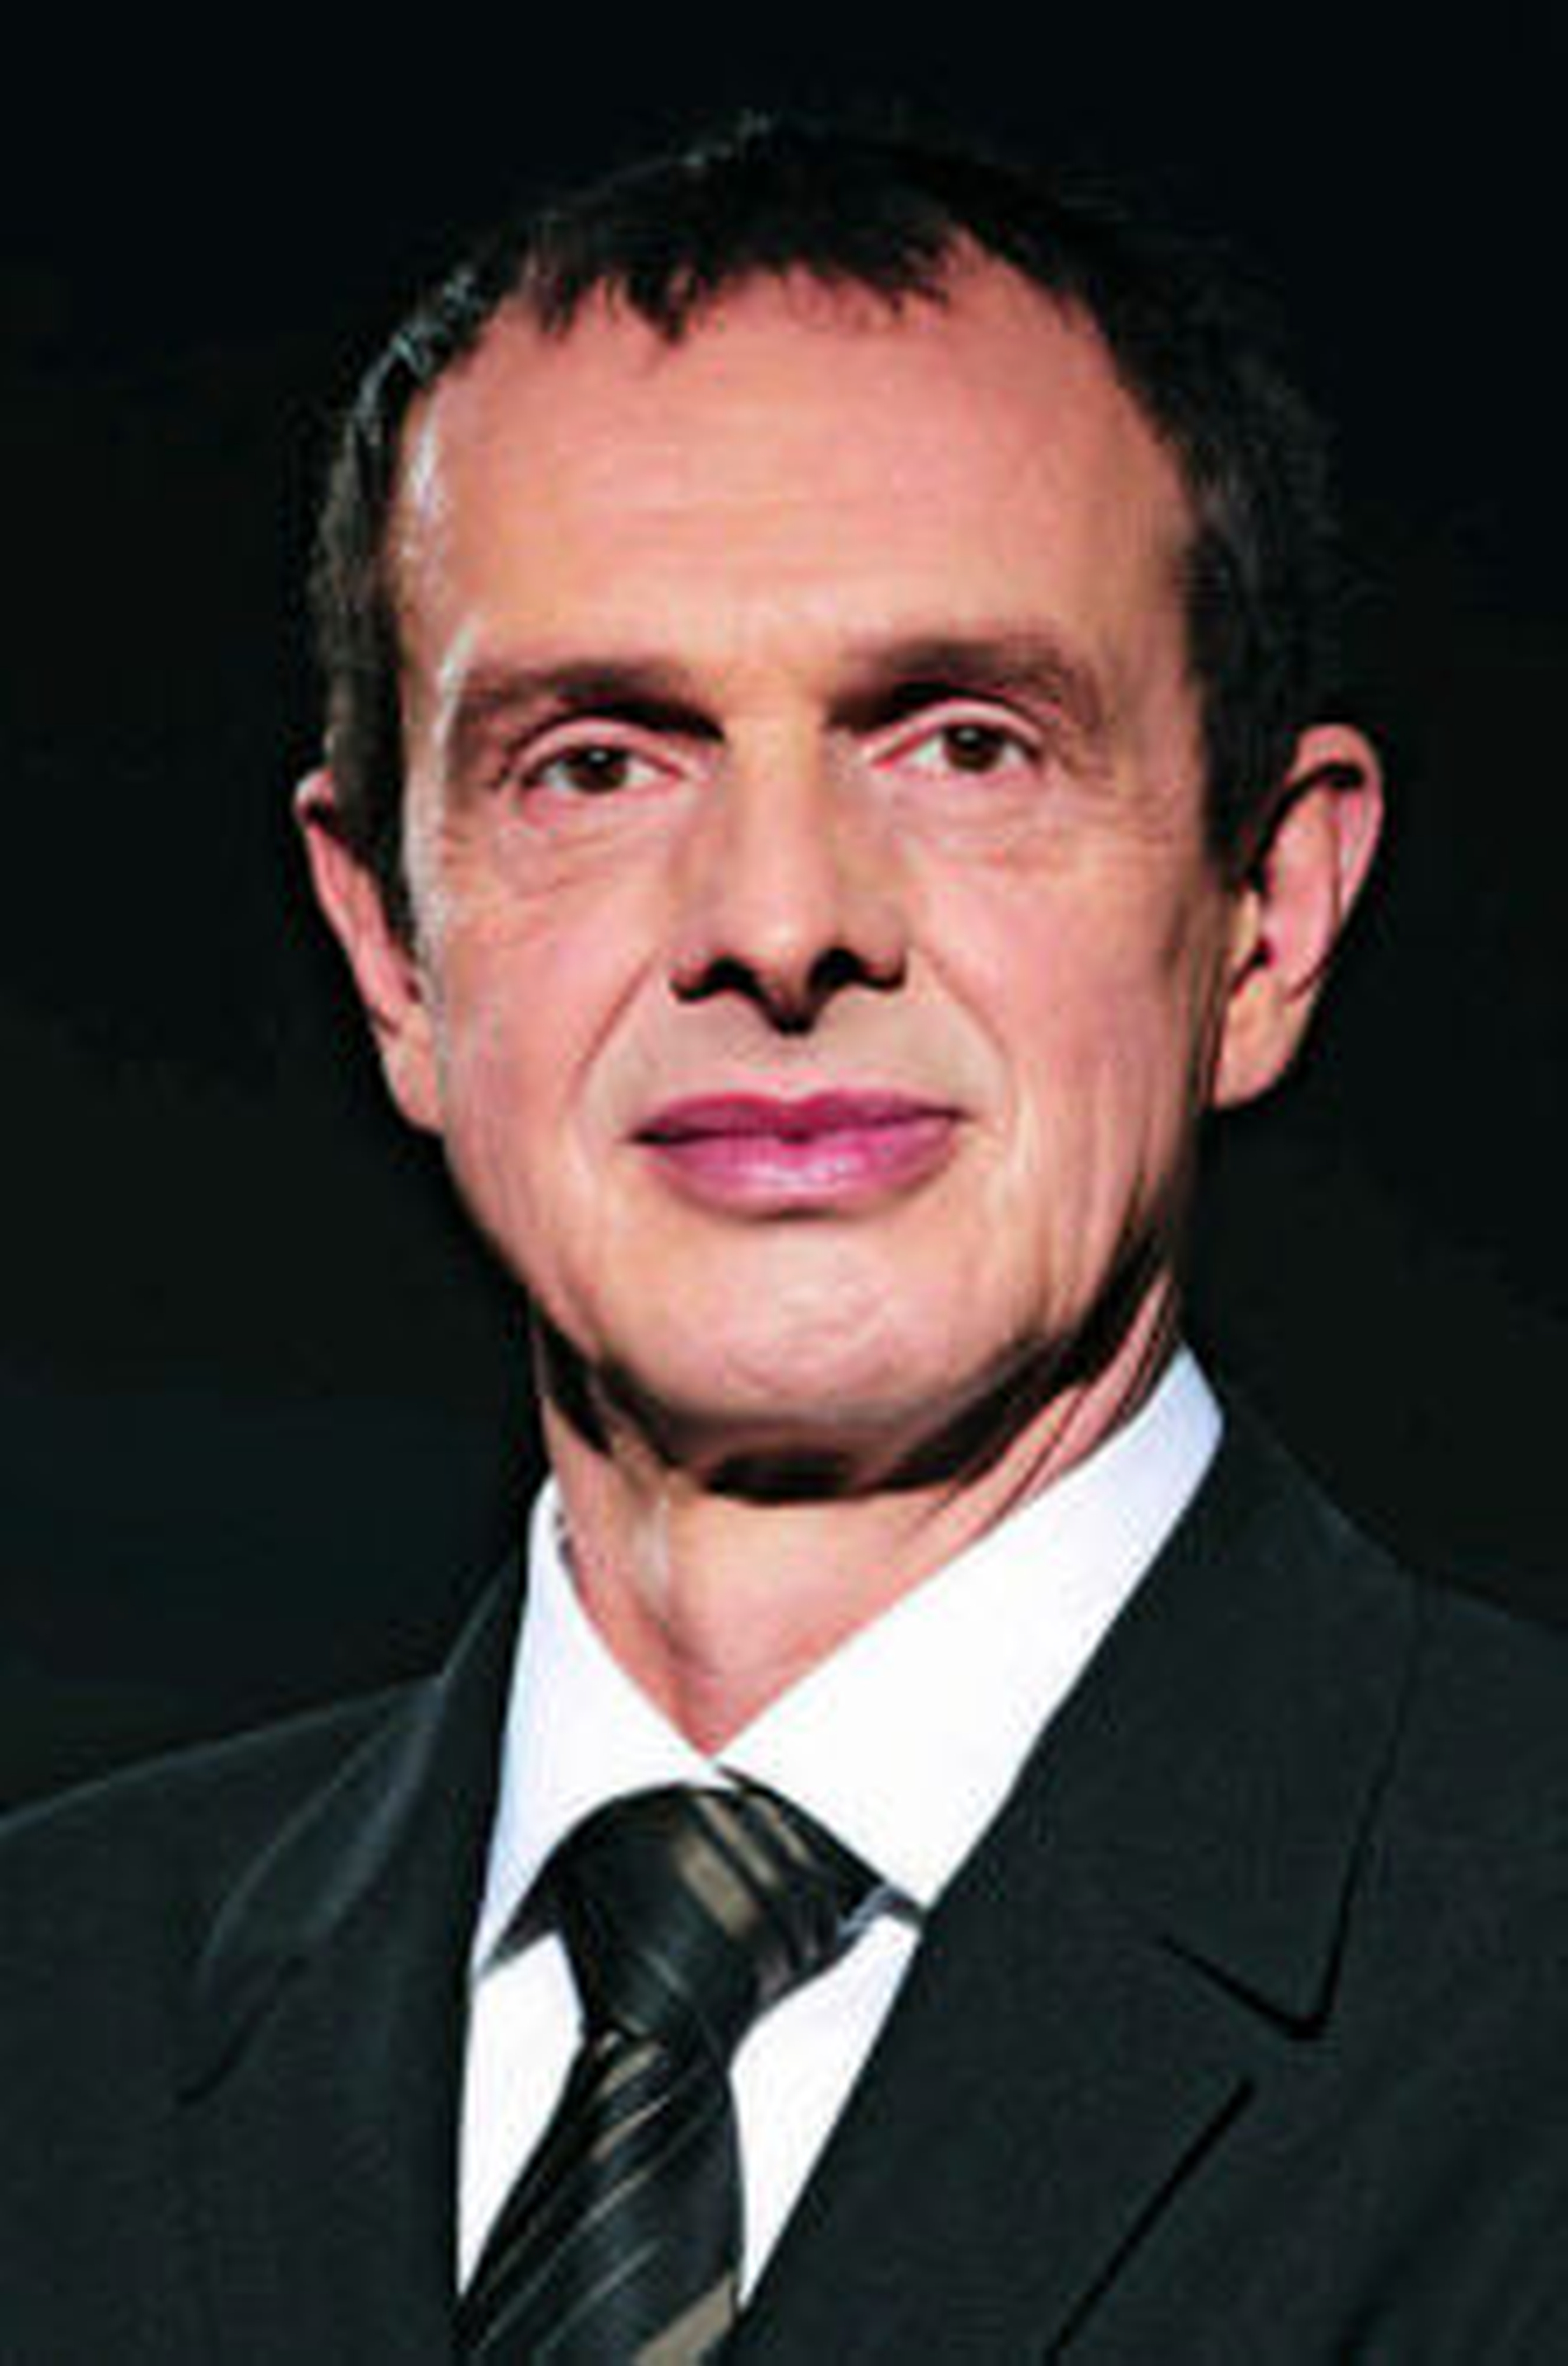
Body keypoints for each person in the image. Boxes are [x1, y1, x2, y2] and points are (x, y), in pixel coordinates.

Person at [3, 111, 1568, 2362]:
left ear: (1268, 910)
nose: (776, 920)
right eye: (593, 762)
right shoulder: (43, 2026)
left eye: (965, 743)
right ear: (389, 951)